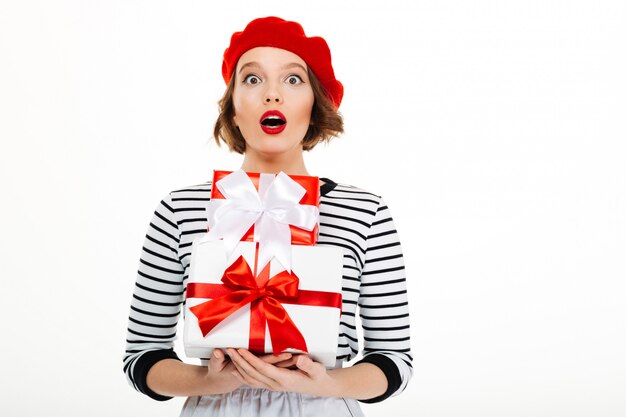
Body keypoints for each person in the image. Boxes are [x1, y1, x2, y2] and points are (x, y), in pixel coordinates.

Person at [123, 16, 413, 417]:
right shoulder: (179, 210)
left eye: (293, 80)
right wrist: (210, 382)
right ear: (233, 108)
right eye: (253, 79)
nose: (271, 95)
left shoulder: (365, 212)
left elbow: (395, 361)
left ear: (315, 107)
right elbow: (141, 358)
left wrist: (327, 383)